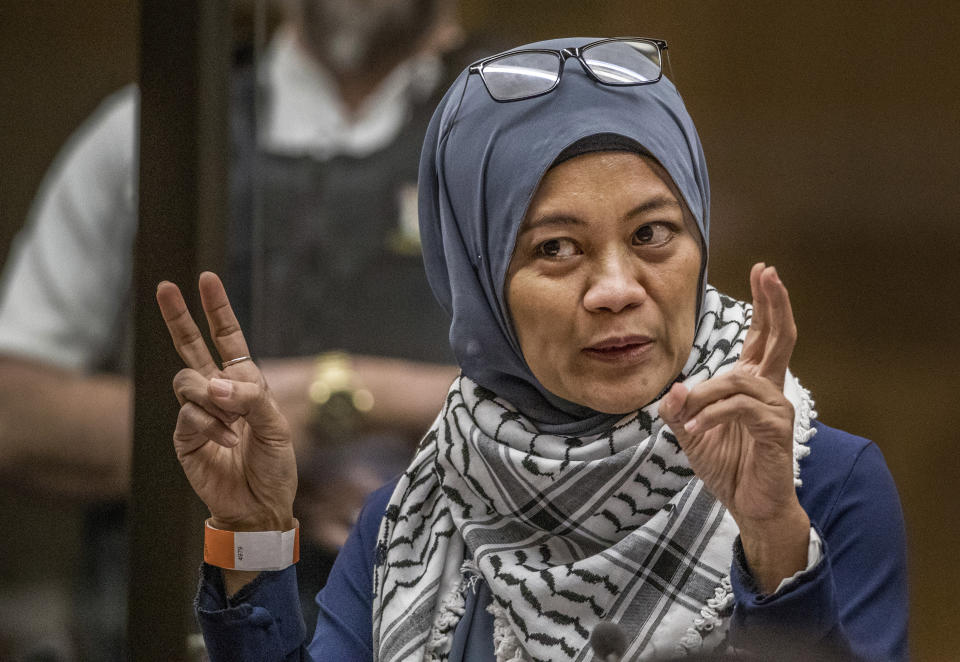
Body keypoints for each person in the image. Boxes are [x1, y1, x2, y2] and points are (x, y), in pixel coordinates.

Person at [157, 37, 908, 661]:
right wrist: (252, 534)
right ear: (478, 280)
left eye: (652, 234)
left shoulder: (821, 484)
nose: (616, 287)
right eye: (556, 247)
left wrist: (774, 538)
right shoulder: (413, 518)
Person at [0, 1, 483, 657]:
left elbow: (615, 398)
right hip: (168, 629)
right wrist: (267, 468)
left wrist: (335, 397)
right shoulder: (148, 128)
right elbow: (15, 411)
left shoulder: (503, 134)